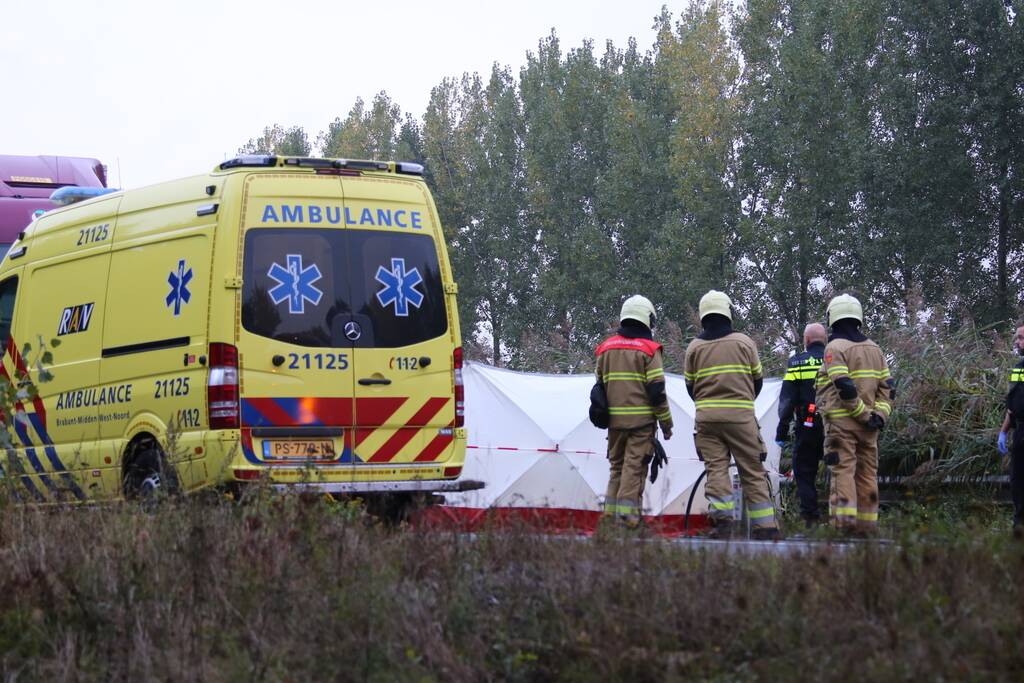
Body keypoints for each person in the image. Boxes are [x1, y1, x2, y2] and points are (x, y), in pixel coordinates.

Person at [684, 290, 780, 540]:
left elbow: (690, 387)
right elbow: (757, 381)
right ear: (728, 312)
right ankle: (765, 528)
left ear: (704, 314)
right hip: (741, 418)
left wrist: (707, 403)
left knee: (716, 470)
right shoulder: (744, 343)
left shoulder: (694, 347)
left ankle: (722, 525)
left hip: (707, 420)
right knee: (752, 470)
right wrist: (742, 401)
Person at [815, 294, 893, 535]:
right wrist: (878, 416)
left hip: (842, 425)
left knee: (843, 473)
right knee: (868, 474)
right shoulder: (875, 348)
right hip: (870, 428)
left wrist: (862, 414)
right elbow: (888, 387)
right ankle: (867, 527)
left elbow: (844, 386)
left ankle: (844, 527)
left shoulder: (834, 348)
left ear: (833, 318)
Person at [595, 295, 673, 525]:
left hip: (614, 424)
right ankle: (628, 521)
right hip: (640, 424)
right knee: (634, 469)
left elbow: (599, 386)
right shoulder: (650, 350)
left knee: (616, 468)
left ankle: (609, 519)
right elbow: (657, 391)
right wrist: (666, 424)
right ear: (648, 319)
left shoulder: (605, 348)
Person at [776, 323, 827, 526]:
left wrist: (781, 430)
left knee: (804, 471)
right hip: (838, 426)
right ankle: (842, 516)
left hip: (807, 425)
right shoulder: (837, 359)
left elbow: (787, 400)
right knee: (841, 469)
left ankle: (811, 519)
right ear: (825, 340)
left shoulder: (797, 362)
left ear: (806, 341)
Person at [997, 323, 1024, 528]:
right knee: (1017, 483)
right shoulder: (1017, 369)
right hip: (1020, 433)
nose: (1017, 342)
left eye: (1022, 338)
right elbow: (1012, 406)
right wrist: (1003, 432)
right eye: (1017, 338)